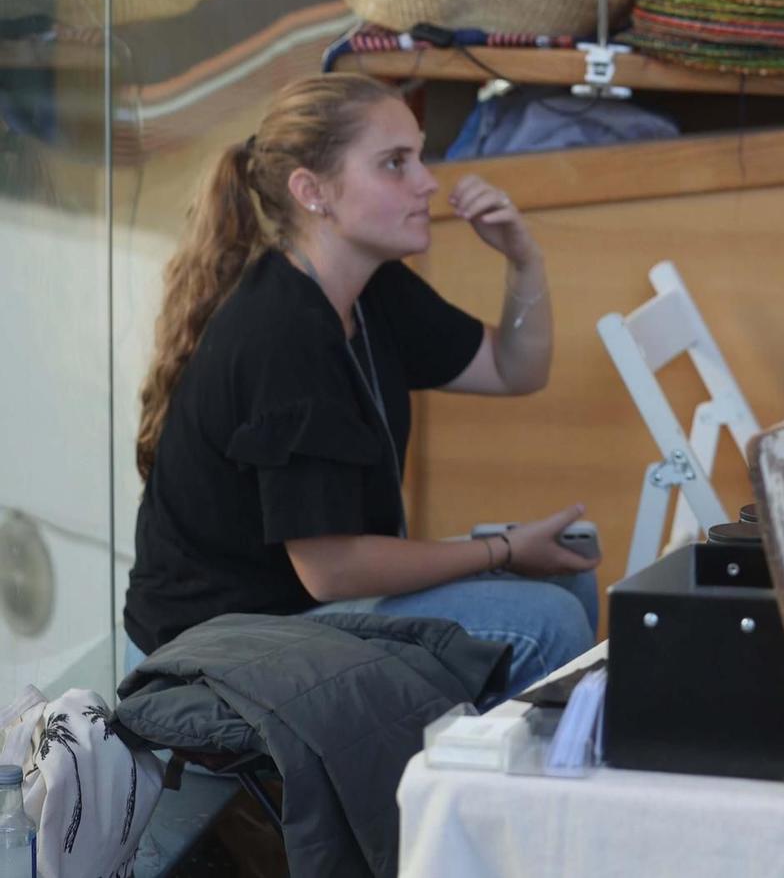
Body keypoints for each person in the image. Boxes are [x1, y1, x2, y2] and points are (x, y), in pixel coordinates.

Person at [124, 75, 597, 698]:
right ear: (312, 191)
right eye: (395, 164)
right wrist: (502, 551)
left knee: (570, 581)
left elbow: (516, 368)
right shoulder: (284, 334)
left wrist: (523, 258)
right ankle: (469, 794)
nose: (428, 182)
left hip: (292, 613)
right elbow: (331, 570)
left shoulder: (373, 288)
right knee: (548, 620)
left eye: (419, 157)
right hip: (216, 655)